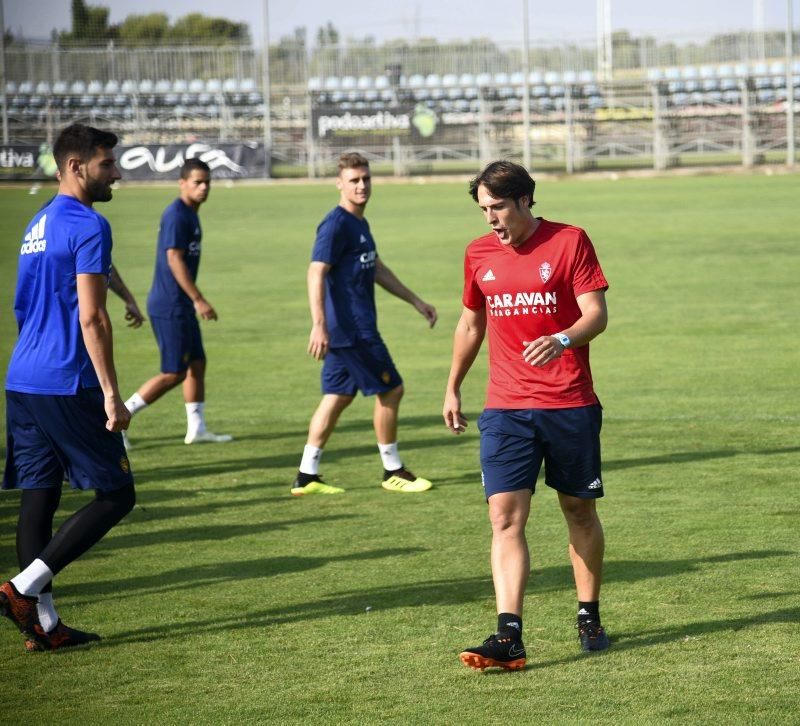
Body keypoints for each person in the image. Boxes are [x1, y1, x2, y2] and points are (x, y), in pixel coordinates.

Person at [443, 160, 611, 671]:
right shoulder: (478, 254)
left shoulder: (570, 241)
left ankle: (588, 614)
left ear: (523, 200)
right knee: (504, 517)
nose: (491, 219)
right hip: (506, 407)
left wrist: (561, 340)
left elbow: (595, 314)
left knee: (578, 510)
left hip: (569, 403)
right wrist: (452, 386)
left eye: (497, 207)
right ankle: (509, 635)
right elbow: (472, 324)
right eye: (483, 210)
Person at [1, 123, 135, 651]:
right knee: (117, 495)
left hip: (22, 379)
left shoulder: (37, 223)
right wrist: (109, 392)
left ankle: (45, 626)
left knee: (40, 495)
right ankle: (21, 589)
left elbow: (21, 307)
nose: (117, 173)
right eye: (107, 164)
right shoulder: (88, 224)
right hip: (64, 380)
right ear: (76, 166)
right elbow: (93, 318)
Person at [292, 152, 437, 496]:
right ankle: (392, 470)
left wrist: (416, 301)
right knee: (391, 390)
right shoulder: (336, 224)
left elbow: (378, 269)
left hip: (347, 330)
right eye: (354, 180)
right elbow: (316, 271)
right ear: (339, 183)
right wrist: (318, 324)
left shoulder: (359, 223)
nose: (361, 186)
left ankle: (306, 475)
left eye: (366, 179)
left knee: (337, 396)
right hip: (353, 330)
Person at [122, 158, 232, 446]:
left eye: (207, 182)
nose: (204, 187)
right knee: (173, 372)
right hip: (170, 304)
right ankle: (118, 419)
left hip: (180, 304)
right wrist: (199, 299)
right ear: (182, 183)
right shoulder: (177, 214)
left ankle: (197, 429)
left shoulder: (191, 214)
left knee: (197, 363)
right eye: (197, 182)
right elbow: (174, 258)